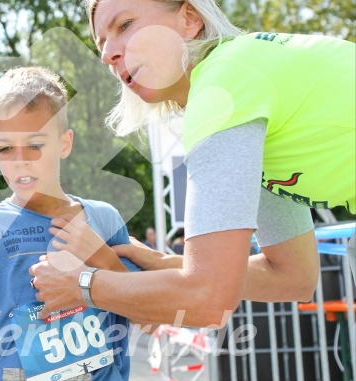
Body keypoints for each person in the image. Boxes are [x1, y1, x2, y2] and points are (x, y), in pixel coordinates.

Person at [30, 0, 355, 327]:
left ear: (190, 19)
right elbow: (293, 278)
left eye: (125, 25)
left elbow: (208, 300)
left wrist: (81, 284)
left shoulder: (224, 88)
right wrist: (164, 262)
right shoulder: (243, 82)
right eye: (101, 44)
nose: (107, 55)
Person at [0, 67, 143, 381]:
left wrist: (102, 259)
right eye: (4, 148)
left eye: (35, 145)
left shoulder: (104, 219)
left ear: (64, 143)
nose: (20, 160)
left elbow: (144, 311)